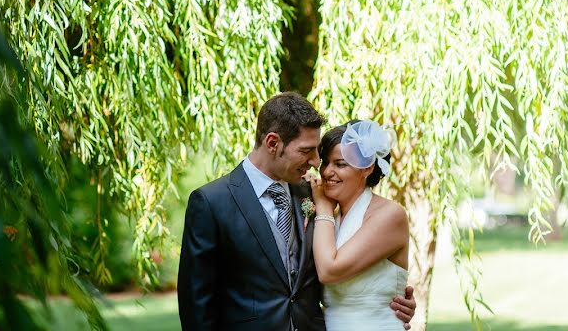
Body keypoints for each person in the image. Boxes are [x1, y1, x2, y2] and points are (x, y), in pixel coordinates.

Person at [178, 93, 415, 330]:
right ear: (272, 143)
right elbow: (196, 304)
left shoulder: (316, 196)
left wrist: (388, 298)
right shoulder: (211, 202)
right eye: (306, 151)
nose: (315, 163)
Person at [308, 120, 411, 330]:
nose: (327, 172)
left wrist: (324, 209)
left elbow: (329, 271)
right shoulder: (329, 219)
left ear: (367, 168)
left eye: (340, 164)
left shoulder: (390, 215)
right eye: (325, 163)